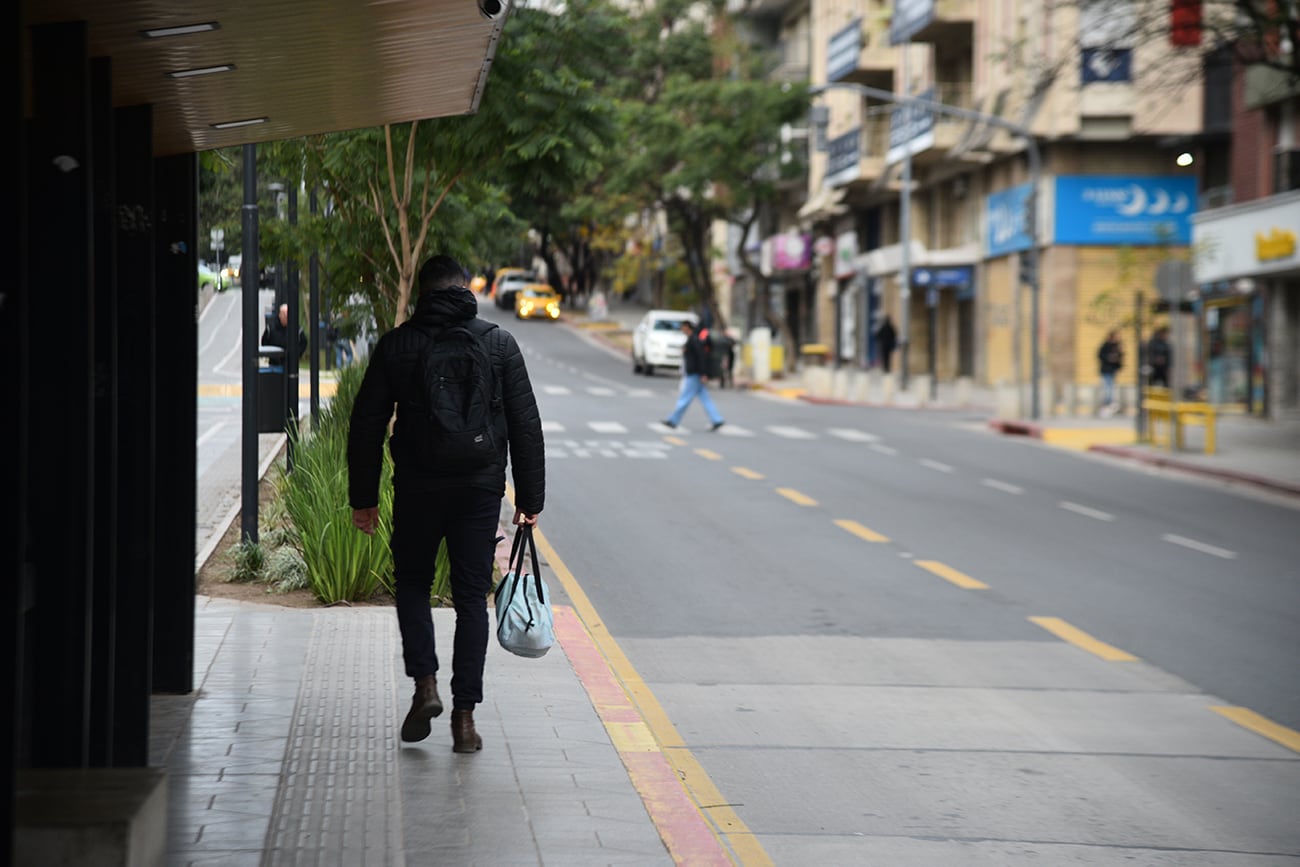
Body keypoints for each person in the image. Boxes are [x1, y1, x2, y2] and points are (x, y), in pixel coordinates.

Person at [347, 254, 545, 753]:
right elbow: (525, 424)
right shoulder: (498, 343)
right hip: (478, 488)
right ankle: (464, 718)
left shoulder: (398, 345)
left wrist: (363, 499)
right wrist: (530, 499)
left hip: (417, 484)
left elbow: (366, 424)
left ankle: (425, 686)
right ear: (466, 288)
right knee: (470, 597)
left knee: (412, 584)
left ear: (423, 293)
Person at [661, 320, 725, 431]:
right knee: (705, 398)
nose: (681, 330)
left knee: (684, 398)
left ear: (687, 327)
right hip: (695, 373)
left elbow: (701, 358)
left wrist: (703, 373)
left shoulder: (694, 340)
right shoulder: (692, 339)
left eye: (683, 327)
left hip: (695, 374)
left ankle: (673, 420)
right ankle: (717, 419)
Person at [262, 302, 307, 367]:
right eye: (284, 314)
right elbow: (264, 342)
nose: (285, 317)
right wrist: (270, 355)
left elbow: (304, 342)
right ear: (280, 315)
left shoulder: (296, 329)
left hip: (290, 366)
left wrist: (296, 355)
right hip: (274, 365)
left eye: (287, 315)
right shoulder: (271, 328)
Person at [1097, 328, 1124, 415]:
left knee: (1111, 388)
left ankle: (1110, 405)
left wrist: (1118, 359)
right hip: (1106, 369)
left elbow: (1120, 357)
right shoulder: (1105, 346)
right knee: (1108, 388)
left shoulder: (1117, 346)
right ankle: (1107, 404)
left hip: (1113, 370)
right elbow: (1101, 356)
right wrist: (1109, 358)